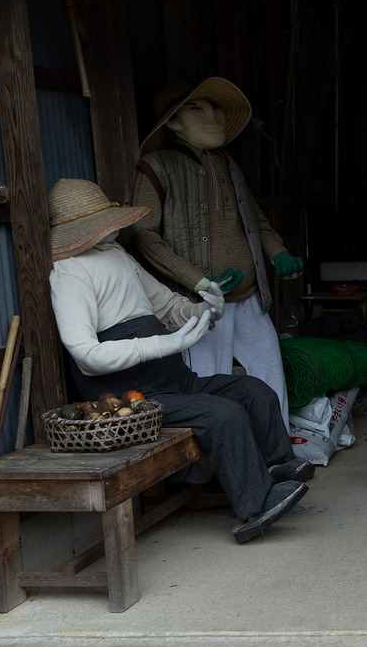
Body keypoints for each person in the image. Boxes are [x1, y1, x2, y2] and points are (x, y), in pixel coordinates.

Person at [47, 179, 310, 543]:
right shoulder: (69, 272)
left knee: (254, 391)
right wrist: (163, 343)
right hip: (130, 395)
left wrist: (202, 309)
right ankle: (255, 507)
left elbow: (169, 305)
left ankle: (275, 469)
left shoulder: (118, 256)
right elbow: (87, 356)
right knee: (223, 415)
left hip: (173, 379)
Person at [128, 77, 301, 430]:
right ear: (173, 122)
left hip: (250, 298)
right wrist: (200, 280)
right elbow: (143, 235)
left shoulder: (227, 164)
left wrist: (278, 253)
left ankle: (279, 454)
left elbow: (257, 223)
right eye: (197, 107)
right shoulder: (156, 166)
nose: (213, 114)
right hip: (199, 303)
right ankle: (211, 469)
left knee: (269, 371)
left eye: (216, 106)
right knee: (209, 382)